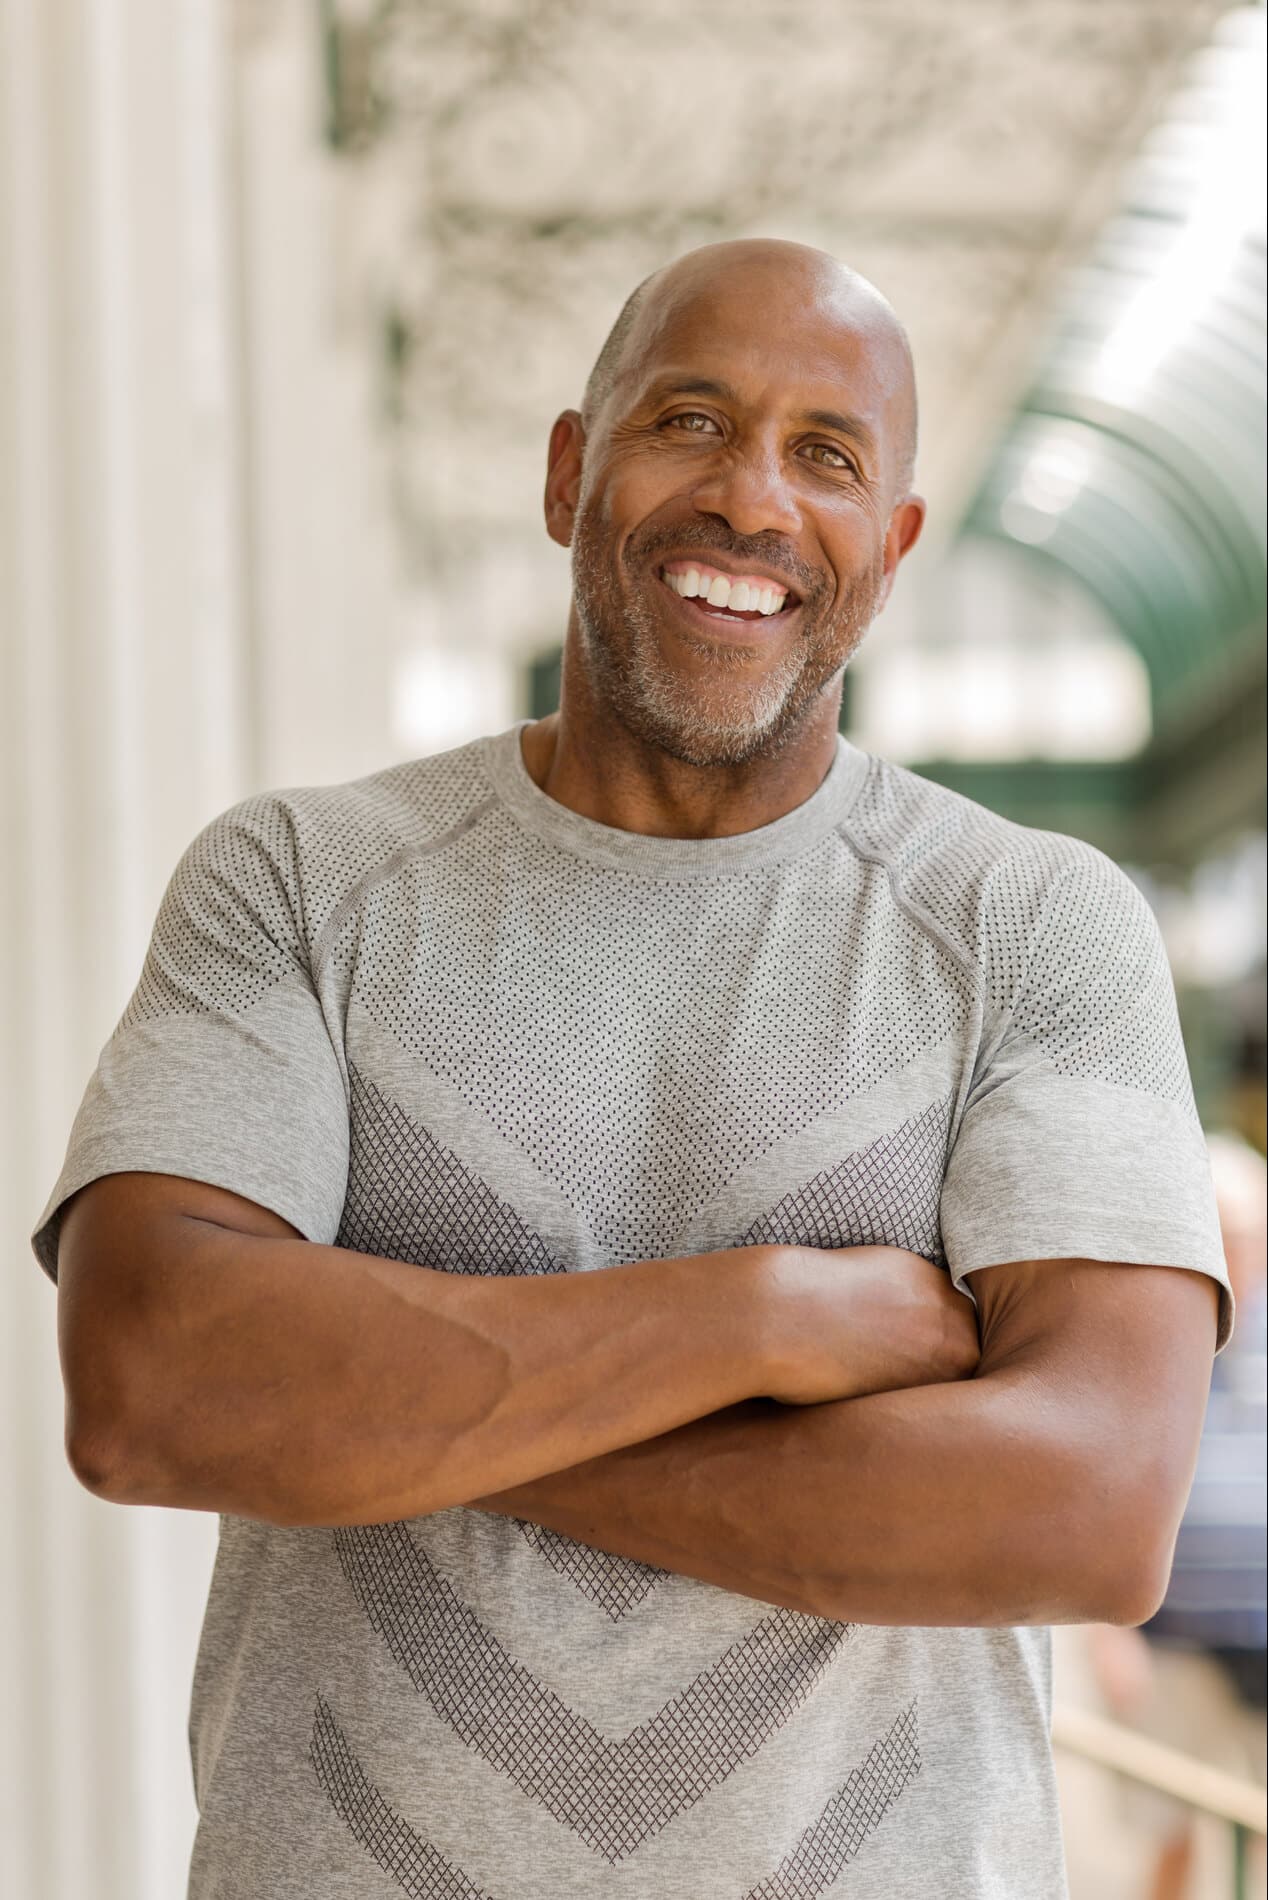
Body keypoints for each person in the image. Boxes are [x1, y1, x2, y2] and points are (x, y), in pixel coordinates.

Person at [32, 239, 1231, 1900]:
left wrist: (384, 1415)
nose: (749, 500)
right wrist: (764, 1323)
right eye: (687, 420)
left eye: (825, 455)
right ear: (565, 473)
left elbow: (1082, 1515)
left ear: (886, 552)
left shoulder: (1028, 928)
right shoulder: (297, 886)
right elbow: (157, 1384)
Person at [1088, 1131, 1266, 1900]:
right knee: (1166, 1836)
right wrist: (1106, 1635)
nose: (1235, 1254)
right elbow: (1098, 1490)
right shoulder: (1148, 1339)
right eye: (1220, 1237)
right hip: (1168, 1641)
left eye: (1247, 1237)